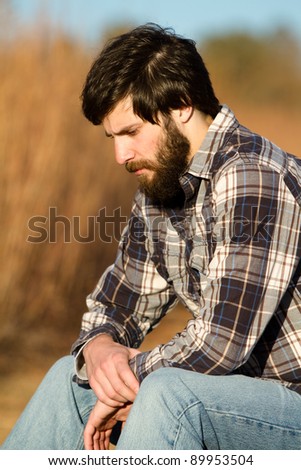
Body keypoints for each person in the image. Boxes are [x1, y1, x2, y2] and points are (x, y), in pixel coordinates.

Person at [2, 23, 301, 451]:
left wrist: (133, 375)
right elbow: (118, 302)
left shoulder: (252, 176)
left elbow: (220, 344)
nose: (120, 155)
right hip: (231, 397)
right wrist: (101, 350)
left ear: (180, 106)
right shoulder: (162, 187)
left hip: (291, 402)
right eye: (113, 137)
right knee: (69, 380)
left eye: (130, 133)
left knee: (168, 396)